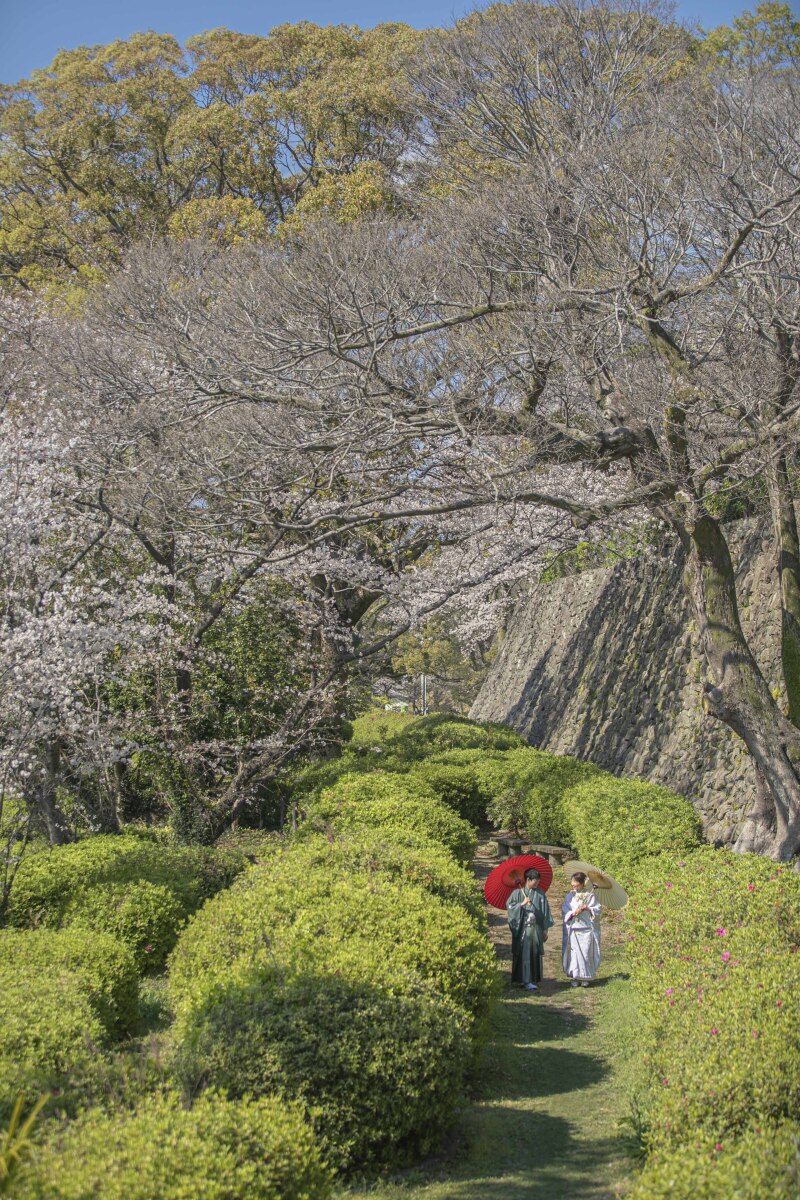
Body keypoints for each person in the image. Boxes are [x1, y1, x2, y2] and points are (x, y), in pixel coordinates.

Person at [507, 867, 554, 991]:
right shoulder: (517, 893)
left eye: (538, 881)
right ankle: (525, 980)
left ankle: (531, 979)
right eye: (535, 881)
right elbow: (510, 906)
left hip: (535, 928)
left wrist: (545, 930)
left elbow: (545, 912)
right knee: (525, 954)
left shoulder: (540, 894)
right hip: (523, 928)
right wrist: (521, 904)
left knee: (534, 953)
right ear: (528, 880)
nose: (537, 883)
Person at [561, 871, 601, 987]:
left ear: (582, 884)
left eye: (576, 884)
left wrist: (588, 908)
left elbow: (597, 910)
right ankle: (574, 976)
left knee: (585, 952)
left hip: (586, 928)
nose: (574, 886)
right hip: (574, 928)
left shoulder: (590, 895)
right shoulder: (570, 896)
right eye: (573, 883)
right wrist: (572, 913)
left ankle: (585, 976)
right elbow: (565, 909)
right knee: (574, 953)